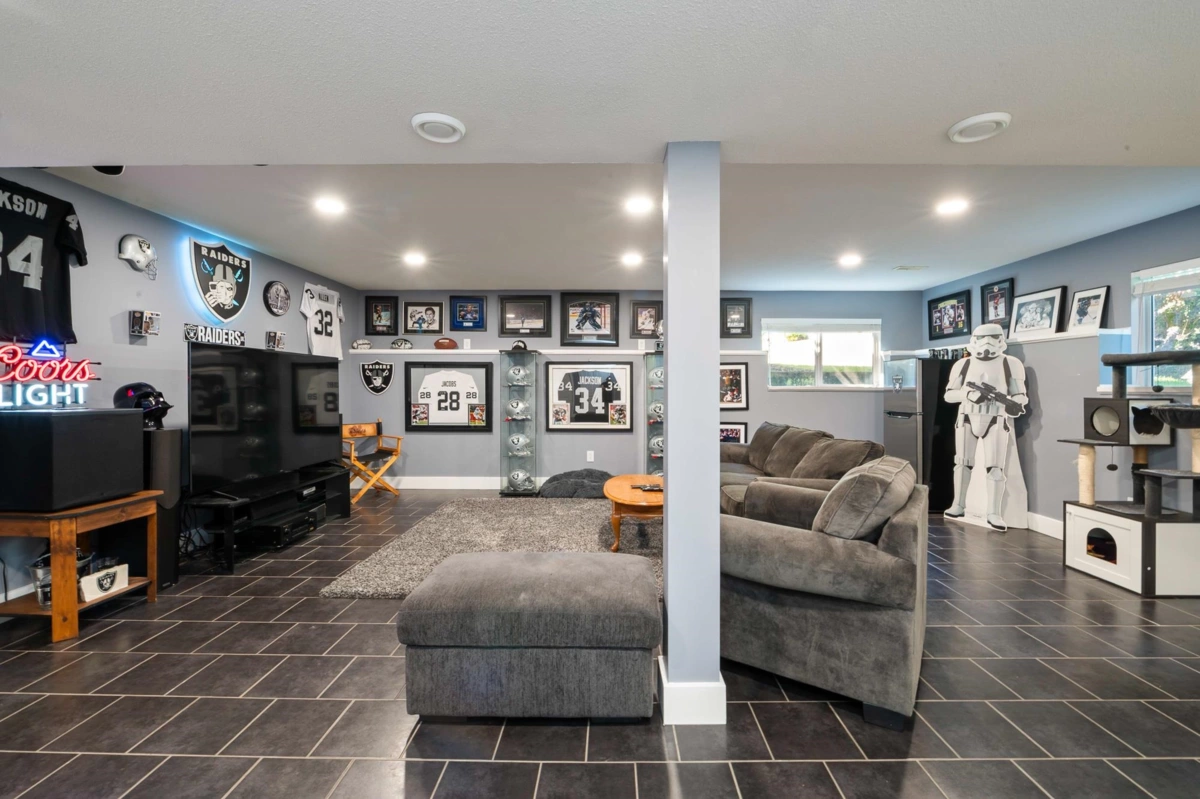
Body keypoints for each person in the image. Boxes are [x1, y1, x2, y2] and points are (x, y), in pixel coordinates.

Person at [943, 323, 1028, 530]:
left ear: (1000, 339)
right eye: (981, 338)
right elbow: (949, 394)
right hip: (966, 417)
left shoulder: (1011, 363)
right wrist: (968, 394)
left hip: (996, 418)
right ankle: (958, 504)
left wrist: (1006, 401)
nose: (986, 343)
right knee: (962, 463)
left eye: (991, 337)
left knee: (996, 467)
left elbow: (1021, 396)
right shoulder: (962, 364)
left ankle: (994, 512)